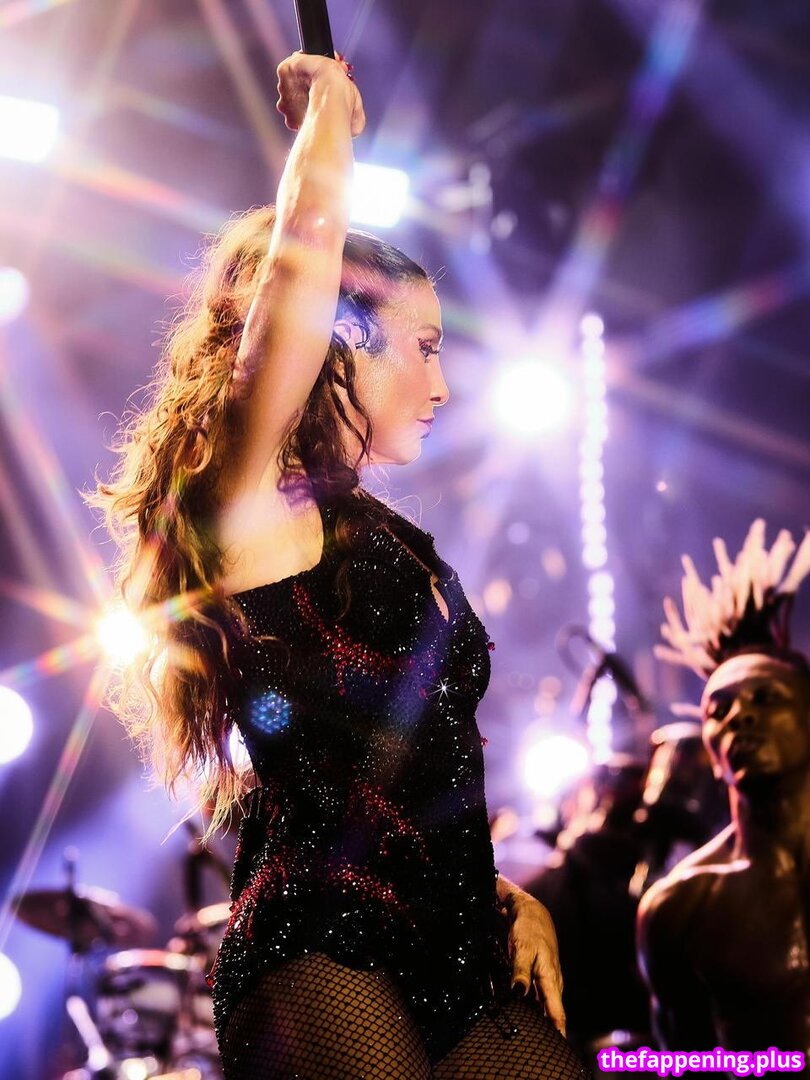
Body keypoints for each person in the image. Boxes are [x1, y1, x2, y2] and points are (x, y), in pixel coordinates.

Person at [89, 50, 590, 1079]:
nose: (443, 383)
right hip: (322, 945)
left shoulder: (385, 536)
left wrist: (500, 891)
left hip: (451, 949)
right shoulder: (254, 503)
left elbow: (401, 773)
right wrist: (326, 123)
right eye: (427, 346)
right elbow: (296, 273)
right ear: (341, 341)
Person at [637, 520, 810, 1064]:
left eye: (766, 698)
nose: (740, 717)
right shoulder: (680, 905)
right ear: (710, 751)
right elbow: (685, 1060)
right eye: (719, 708)